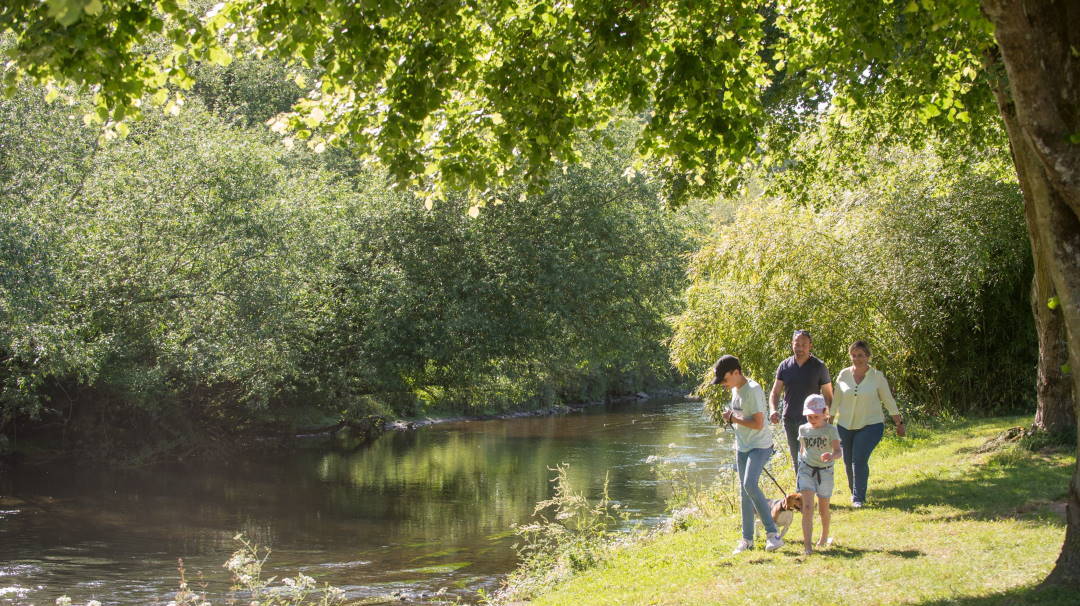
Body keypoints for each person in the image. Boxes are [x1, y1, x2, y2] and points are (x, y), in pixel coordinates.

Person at [712, 355, 784, 554]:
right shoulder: (736, 388)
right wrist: (732, 417)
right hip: (742, 446)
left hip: (759, 446)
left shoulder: (753, 390)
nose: (724, 384)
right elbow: (742, 416)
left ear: (736, 372)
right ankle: (747, 540)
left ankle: (773, 535)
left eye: (725, 379)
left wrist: (734, 418)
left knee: (749, 485)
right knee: (744, 493)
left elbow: (758, 423)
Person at [831, 340, 905, 508]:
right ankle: (854, 491)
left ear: (868, 357)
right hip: (844, 425)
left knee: (859, 458)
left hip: (870, 425)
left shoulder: (877, 377)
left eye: (861, 355)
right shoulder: (843, 375)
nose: (857, 359)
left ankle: (859, 498)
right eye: (854, 355)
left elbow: (888, 401)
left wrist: (898, 423)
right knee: (848, 460)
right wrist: (829, 420)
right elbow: (836, 400)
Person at [769, 330, 833, 476]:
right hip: (790, 420)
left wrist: (829, 417)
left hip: (813, 420)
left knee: (812, 458)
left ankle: (817, 490)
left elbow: (828, 395)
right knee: (797, 458)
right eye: (797, 344)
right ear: (792, 345)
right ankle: (803, 494)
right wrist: (773, 410)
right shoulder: (784, 366)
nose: (800, 348)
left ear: (810, 346)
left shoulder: (819, 366)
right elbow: (775, 392)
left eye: (804, 345)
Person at [797, 394, 841, 555]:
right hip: (806, 470)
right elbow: (802, 450)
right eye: (809, 416)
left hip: (825, 471)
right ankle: (807, 546)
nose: (812, 419)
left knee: (823, 508)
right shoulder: (803, 429)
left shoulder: (831, 430)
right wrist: (801, 466)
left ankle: (824, 535)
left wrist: (831, 456)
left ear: (825, 413)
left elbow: (838, 451)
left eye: (816, 416)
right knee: (807, 507)